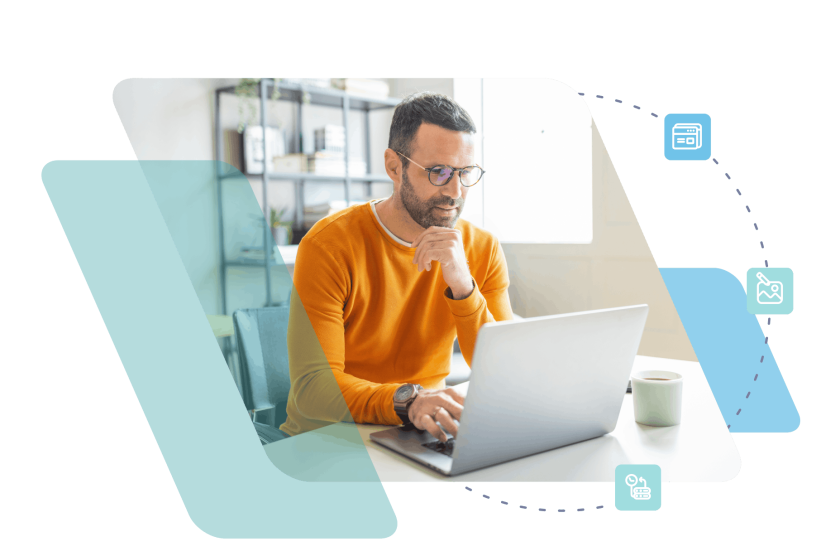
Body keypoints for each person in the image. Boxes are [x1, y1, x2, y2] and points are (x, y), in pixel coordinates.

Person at [278, 91, 513, 443]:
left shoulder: (482, 248)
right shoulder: (328, 245)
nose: (455, 191)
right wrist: (410, 402)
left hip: (426, 432)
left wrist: (463, 286)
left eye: (465, 173)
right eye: (439, 172)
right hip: (329, 438)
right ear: (393, 166)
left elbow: (504, 371)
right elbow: (313, 388)